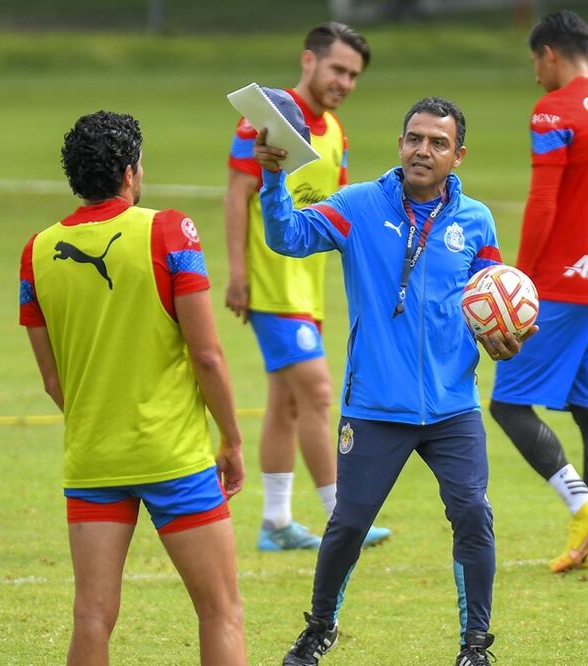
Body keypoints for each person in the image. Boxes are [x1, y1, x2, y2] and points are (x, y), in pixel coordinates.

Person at [254, 97, 535, 666]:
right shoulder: (358, 205)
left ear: (458, 155)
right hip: (377, 406)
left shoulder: (474, 220)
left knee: (473, 514)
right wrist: (272, 176)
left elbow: (491, 298)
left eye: (437, 142)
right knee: (349, 523)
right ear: (400, 144)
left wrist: (506, 335)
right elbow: (287, 237)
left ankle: (475, 646)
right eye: (414, 138)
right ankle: (319, 628)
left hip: (454, 407)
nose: (422, 150)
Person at [20, 111, 247, 666]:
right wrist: (233, 440)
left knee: (93, 617)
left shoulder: (37, 251)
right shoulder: (169, 230)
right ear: (129, 171)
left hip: (93, 457)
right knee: (220, 611)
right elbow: (209, 355)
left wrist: (101, 417)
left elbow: (53, 380)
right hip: (173, 456)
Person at [224, 22, 389, 551]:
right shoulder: (267, 119)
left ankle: (275, 523)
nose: (345, 81)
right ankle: (343, 516)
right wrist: (238, 274)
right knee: (319, 392)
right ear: (309, 61)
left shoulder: (337, 132)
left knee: (287, 403)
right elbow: (236, 194)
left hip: (308, 289)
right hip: (272, 287)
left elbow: (339, 215)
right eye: (338, 68)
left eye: (354, 74)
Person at [489, 10, 588, 573]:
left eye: (535, 62)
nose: (535, 76)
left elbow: (545, 202)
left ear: (549, 52)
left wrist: (521, 278)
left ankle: (580, 506)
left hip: (559, 283)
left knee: (507, 405)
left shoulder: (555, 110)